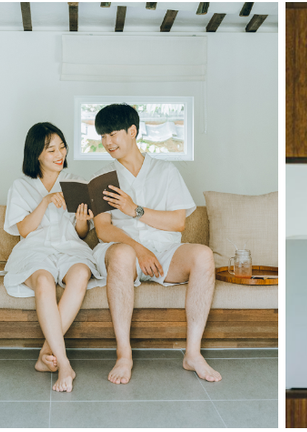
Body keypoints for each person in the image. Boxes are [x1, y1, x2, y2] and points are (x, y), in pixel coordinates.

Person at [88, 104, 220, 384]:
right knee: (123, 254)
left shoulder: (166, 172)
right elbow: (102, 230)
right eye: (102, 136)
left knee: (203, 255)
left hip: (165, 252)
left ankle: (193, 354)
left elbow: (178, 223)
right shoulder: (101, 177)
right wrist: (139, 249)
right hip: (123, 253)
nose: (107, 142)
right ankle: (124, 354)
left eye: (112, 134)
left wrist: (134, 209)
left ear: (132, 131)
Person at [3, 122, 102, 392]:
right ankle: (65, 364)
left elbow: (80, 234)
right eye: (51, 150)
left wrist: (82, 221)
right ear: (36, 154)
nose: (60, 154)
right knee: (44, 281)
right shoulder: (21, 187)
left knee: (81, 272)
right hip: (35, 250)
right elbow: (23, 229)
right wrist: (46, 200)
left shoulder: (74, 183)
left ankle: (45, 355)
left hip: (69, 247)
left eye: (62, 147)